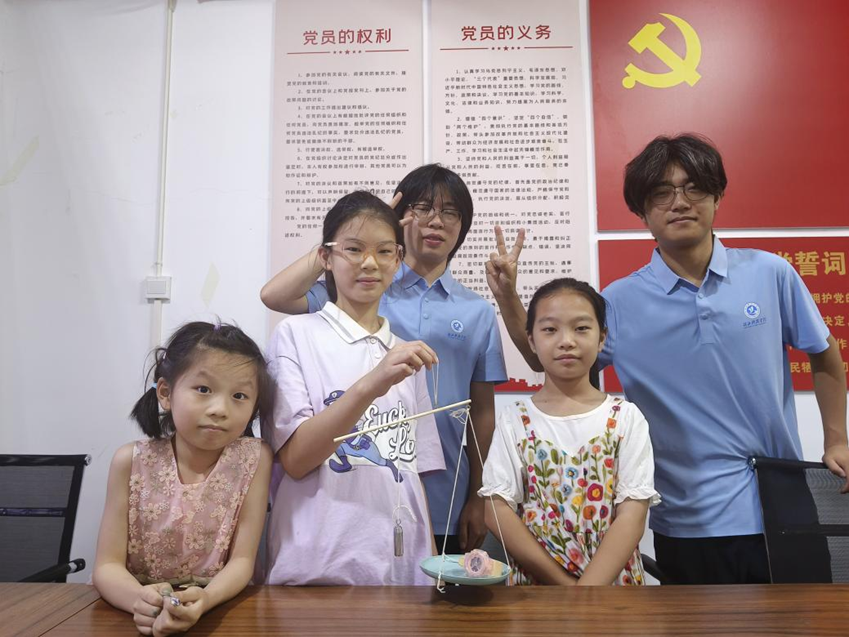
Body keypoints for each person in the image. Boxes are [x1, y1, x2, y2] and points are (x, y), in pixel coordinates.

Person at [486, 133, 849, 585]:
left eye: (694, 187)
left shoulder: (770, 273)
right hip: (687, 518)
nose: (679, 202)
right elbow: (550, 361)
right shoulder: (619, 301)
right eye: (661, 193)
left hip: (782, 502)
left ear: (717, 196)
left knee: (801, 618)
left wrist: (837, 439)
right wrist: (508, 298)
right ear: (642, 212)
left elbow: (824, 354)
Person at [261, 165, 507, 555]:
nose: (434, 221)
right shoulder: (362, 287)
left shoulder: (476, 310)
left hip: (440, 488)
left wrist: (479, 493)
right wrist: (366, 228)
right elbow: (275, 295)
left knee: (428, 579)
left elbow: (482, 412)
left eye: (449, 212)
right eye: (422, 208)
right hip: (341, 494)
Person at [262, 190, 444, 585]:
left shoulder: (405, 353)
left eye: (384, 251)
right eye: (354, 249)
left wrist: (430, 573)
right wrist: (372, 383)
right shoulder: (295, 335)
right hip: (315, 568)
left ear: (398, 260)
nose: (369, 263)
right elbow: (296, 460)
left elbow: (412, 474)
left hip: (403, 575)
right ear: (325, 257)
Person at [93, 322, 274, 635]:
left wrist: (205, 600)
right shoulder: (130, 461)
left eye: (239, 395)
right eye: (203, 390)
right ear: (165, 393)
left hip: (218, 606)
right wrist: (141, 601)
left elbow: (242, 561)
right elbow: (107, 566)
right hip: (134, 608)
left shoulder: (254, 459)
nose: (220, 409)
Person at [480, 278, 658, 585]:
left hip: (612, 589)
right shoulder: (516, 419)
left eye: (581, 328)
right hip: (538, 586)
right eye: (550, 329)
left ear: (602, 338)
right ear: (531, 340)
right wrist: (567, 587)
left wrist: (587, 592)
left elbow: (632, 513)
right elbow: (497, 509)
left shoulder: (626, 418)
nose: (567, 341)